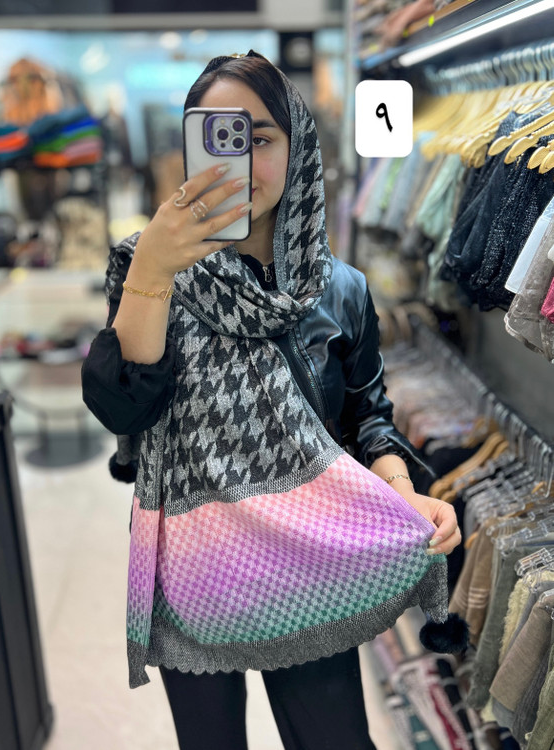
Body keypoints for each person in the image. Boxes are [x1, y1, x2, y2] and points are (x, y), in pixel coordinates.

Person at [81, 50, 462, 750]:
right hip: (192, 566)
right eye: (216, 137)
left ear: (297, 146)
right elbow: (122, 408)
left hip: (307, 558)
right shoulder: (149, 269)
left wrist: (403, 491)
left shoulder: (339, 289)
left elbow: (367, 417)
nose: (240, 160)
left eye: (259, 138)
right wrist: (154, 269)